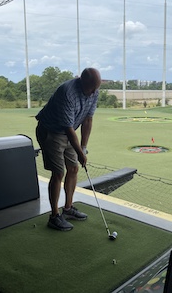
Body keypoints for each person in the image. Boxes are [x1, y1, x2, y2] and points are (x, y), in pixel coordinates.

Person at [35, 67, 101, 231]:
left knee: (73, 168)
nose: (94, 93)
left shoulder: (93, 91)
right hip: (51, 131)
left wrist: (83, 148)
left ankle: (68, 208)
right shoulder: (67, 92)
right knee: (58, 173)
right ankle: (54, 216)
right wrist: (79, 152)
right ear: (82, 82)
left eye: (96, 89)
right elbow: (69, 129)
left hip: (68, 132)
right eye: (91, 88)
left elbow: (88, 120)